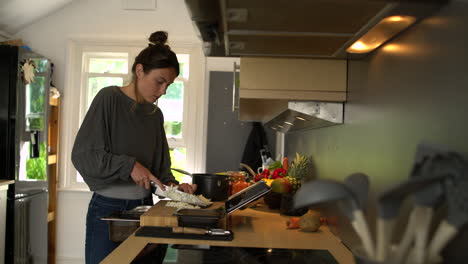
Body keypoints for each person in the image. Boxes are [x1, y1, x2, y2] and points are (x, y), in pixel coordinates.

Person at [71, 31, 197, 264]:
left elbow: (161, 172)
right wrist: (129, 165)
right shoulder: (108, 98)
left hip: (146, 209)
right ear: (140, 71)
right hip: (108, 211)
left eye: (168, 85)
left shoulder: (154, 115)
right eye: (159, 81)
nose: (163, 92)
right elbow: (84, 156)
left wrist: (176, 189)